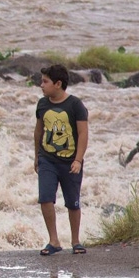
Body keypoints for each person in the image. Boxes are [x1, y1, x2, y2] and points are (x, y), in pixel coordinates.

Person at [34, 64, 89, 256]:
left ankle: (76, 241)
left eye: (45, 81)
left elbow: (83, 134)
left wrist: (78, 160)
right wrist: (37, 156)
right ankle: (54, 240)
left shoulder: (75, 105)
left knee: (72, 203)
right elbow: (38, 131)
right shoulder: (42, 104)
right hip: (47, 160)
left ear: (58, 84)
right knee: (45, 199)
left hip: (71, 162)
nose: (41, 85)